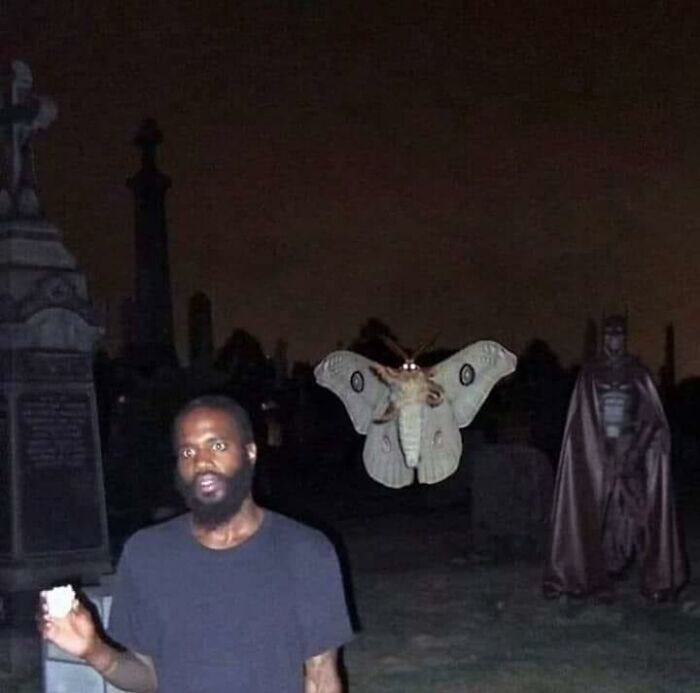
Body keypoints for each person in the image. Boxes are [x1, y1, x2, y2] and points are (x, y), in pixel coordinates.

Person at [41, 395, 353, 693]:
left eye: (217, 445)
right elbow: (149, 676)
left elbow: (321, 679)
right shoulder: (147, 554)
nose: (202, 461)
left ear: (250, 452)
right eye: (188, 452)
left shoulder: (304, 551)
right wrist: (92, 649)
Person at [543, 315, 688, 602]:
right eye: (609, 334)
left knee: (644, 513)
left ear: (625, 338)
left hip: (631, 451)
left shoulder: (638, 374)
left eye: (619, 334)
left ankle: (658, 580)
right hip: (599, 453)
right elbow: (582, 421)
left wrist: (636, 451)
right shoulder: (590, 374)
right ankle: (584, 577)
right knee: (594, 514)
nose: (614, 339)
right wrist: (597, 455)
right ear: (603, 338)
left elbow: (652, 418)